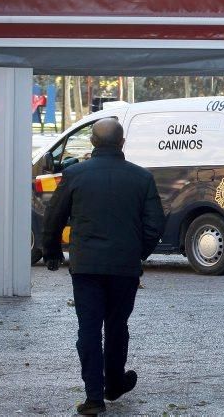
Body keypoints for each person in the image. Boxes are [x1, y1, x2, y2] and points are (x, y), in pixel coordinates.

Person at [42, 118, 166, 415]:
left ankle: (94, 398)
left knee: (88, 328)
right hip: (124, 268)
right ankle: (114, 384)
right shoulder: (141, 178)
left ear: (93, 143)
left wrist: (51, 252)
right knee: (116, 325)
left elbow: (54, 216)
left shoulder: (74, 175)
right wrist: (138, 253)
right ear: (122, 143)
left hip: (86, 268)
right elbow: (155, 225)